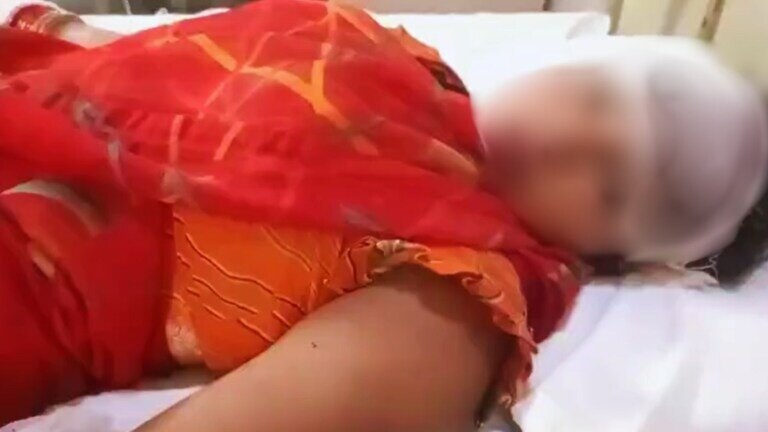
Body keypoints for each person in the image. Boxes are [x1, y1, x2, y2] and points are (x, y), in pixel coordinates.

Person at [0, 1, 765, 430]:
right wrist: (56, 32)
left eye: (612, 186)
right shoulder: (400, 60)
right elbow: (160, 59)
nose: (567, 138)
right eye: (599, 101)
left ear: (615, 253)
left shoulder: (463, 289)